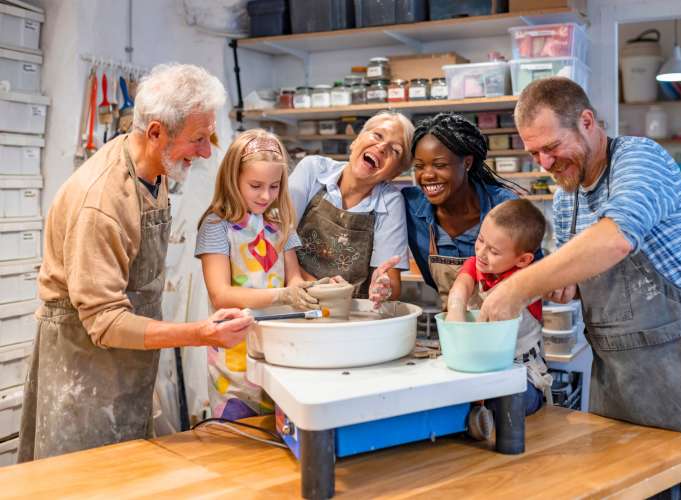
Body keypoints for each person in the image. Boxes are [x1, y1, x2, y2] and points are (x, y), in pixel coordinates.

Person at [479, 77, 681, 498]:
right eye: (534, 152)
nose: (545, 163)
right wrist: (562, 286)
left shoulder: (641, 158)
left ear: (587, 121)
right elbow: (576, 275)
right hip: (620, 384)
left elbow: (615, 239)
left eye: (551, 147)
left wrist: (518, 288)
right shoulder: (567, 196)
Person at [18, 64, 255, 462]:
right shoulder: (102, 202)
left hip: (126, 363)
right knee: (79, 479)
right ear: (157, 131)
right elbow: (106, 321)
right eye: (198, 139)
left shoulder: (154, 170)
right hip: (84, 364)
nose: (206, 151)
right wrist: (199, 333)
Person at [196, 129, 326, 419]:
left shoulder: (280, 223)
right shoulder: (216, 226)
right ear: (233, 178)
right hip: (234, 360)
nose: (266, 195)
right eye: (255, 185)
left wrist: (321, 288)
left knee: (277, 437)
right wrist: (282, 295)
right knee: (239, 441)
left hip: (278, 351)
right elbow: (221, 295)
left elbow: (294, 277)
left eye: (274, 186)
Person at [401, 112, 525, 309]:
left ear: (467, 163)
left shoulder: (505, 208)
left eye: (439, 165)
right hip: (452, 322)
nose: (427, 175)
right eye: (419, 166)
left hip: (506, 324)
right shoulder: (409, 206)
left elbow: (533, 274)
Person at [289, 111, 414, 305]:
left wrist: (383, 288)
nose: (381, 147)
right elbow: (276, 239)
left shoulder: (390, 201)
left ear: (395, 173)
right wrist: (315, 286)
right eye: (377, 135)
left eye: (395, 150)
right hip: (296, 297)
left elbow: (392, 284)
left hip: (351, 311)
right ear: (355, 141)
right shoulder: (312, 170)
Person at [445, 199, 552, 415]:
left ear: (523, 260)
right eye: (480, 240)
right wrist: (455, 312)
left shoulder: (528, 282)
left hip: (521, 373)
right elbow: (460, 287)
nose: (481, 253)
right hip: (478, 365)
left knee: (506, 402)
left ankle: (483, 418)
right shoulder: (478, 264)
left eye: (493, 251)